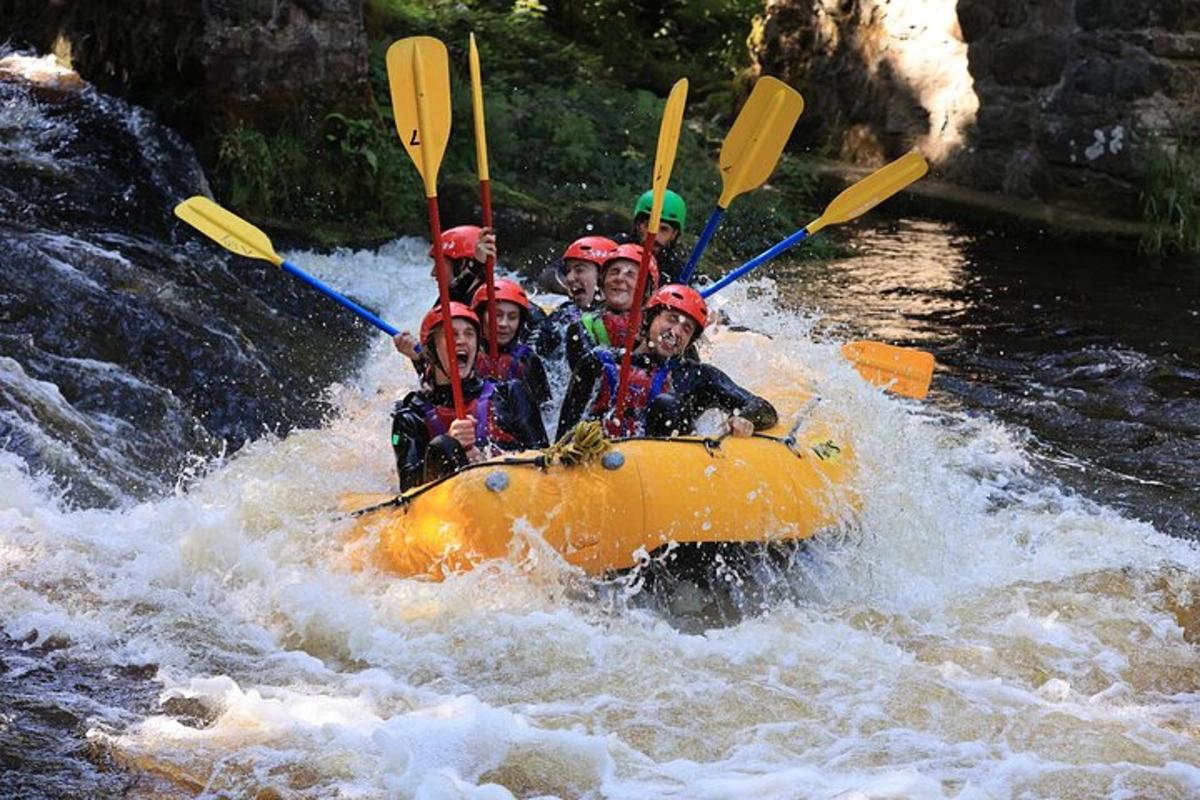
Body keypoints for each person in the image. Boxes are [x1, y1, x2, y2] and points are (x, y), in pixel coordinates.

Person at [556, 284, 776, 439]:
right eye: (671, 319)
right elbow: (565, 431)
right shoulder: (599, 361)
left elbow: (764, 408)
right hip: (598, 465)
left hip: (662, 472)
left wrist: (744, 419)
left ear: (690, 341)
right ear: (650, 319)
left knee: (666, 404)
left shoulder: (698, 376)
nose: (676, 331)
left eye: (686, 329)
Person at [391, 303, 547, 490]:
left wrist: (485, 460)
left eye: (469, 334)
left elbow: (544, 459)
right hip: (452, 507)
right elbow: (408, 489)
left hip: (513, 495)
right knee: (444, 445)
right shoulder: (410, 417)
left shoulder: (510, 393)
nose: (461, 341)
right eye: (451, 334)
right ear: (430, 351)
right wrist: (450, 445)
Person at [564, 243, 660, 367]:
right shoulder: (581, 327)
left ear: (646, 290)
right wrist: (635, 356)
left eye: (630, 274)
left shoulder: (655, 332)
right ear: (602, 282)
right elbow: (585, 370)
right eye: (614, 272)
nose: (619, 278)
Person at [530, 235, 616, 359]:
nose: (569, 278)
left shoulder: (634, 323)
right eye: (568, 271)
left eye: (579, 270)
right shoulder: (562, 317)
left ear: (604, 276)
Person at [469, 279, 552, 406]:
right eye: (497, 315)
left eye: (512, 317)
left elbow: (546, 410)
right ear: (480, 317)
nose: (504, 324)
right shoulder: (466, 357)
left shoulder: (526, 359)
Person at [614, 189, 687, 283]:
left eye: (663, 229)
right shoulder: (614, 250)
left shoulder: (677, 273)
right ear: (638, 225)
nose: (654, 236)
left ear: (674, 234)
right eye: (650, 226)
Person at [429, 225, 498, 305]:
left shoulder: (492, 303)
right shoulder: (454, 299)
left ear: (462, 264)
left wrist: (475, 265)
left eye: (439, 265)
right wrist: (476, 265)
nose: (433, 273)